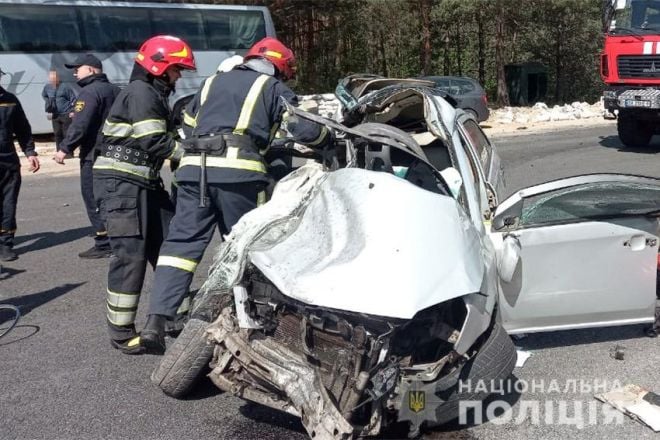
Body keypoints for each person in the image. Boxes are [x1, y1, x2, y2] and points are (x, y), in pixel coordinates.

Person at [139, 37, 331, 355]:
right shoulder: (271, 88)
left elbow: (188, 124)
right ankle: (253, 322)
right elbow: (304, 129)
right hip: (237, 175)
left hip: (191, 172)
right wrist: (329, 138)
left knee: (180, 248)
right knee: (248, 246)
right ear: (277, 67)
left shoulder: (213, 82)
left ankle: (155, 323)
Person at [93, 35, 194, 354]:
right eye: (176, 69)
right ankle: (122, 333)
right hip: (122, 185)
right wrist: (194, 155)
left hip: (146, 183)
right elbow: (154, 142)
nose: (179, 76)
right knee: (130, 256)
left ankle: (173, 314)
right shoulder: (141, 93)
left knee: (169, 247)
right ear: (159, 67)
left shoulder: (151, 94)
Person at [53, 54, 120, 259]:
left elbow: (81, 125)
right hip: (116, 154)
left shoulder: (89, 92)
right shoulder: (116, 90)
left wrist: (64, 148)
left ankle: (103, 242)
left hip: (94, 155)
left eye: (77, 68)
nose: (74, 72)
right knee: (114, 198)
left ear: (90, 70)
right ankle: (118, 238)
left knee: (92, 197)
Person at [0, 69, 40, 261]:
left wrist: (30, 152)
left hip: (7, 161)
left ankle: (5, 242)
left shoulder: (10, 100)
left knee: (8, 203)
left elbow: (23, 129)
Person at [41, 70, 76, 153]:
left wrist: (72, 111)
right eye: (51, 77)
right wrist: (49, 102)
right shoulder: (47, 87)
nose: (52, 79)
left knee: (66, 134)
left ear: (58, 78)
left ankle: (68, 153)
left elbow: (73, 99)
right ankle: (59, 152)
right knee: (57, 134)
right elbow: (44, 95)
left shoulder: (65, 87)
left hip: (66, 113)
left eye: (54, 77)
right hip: (55, 114)